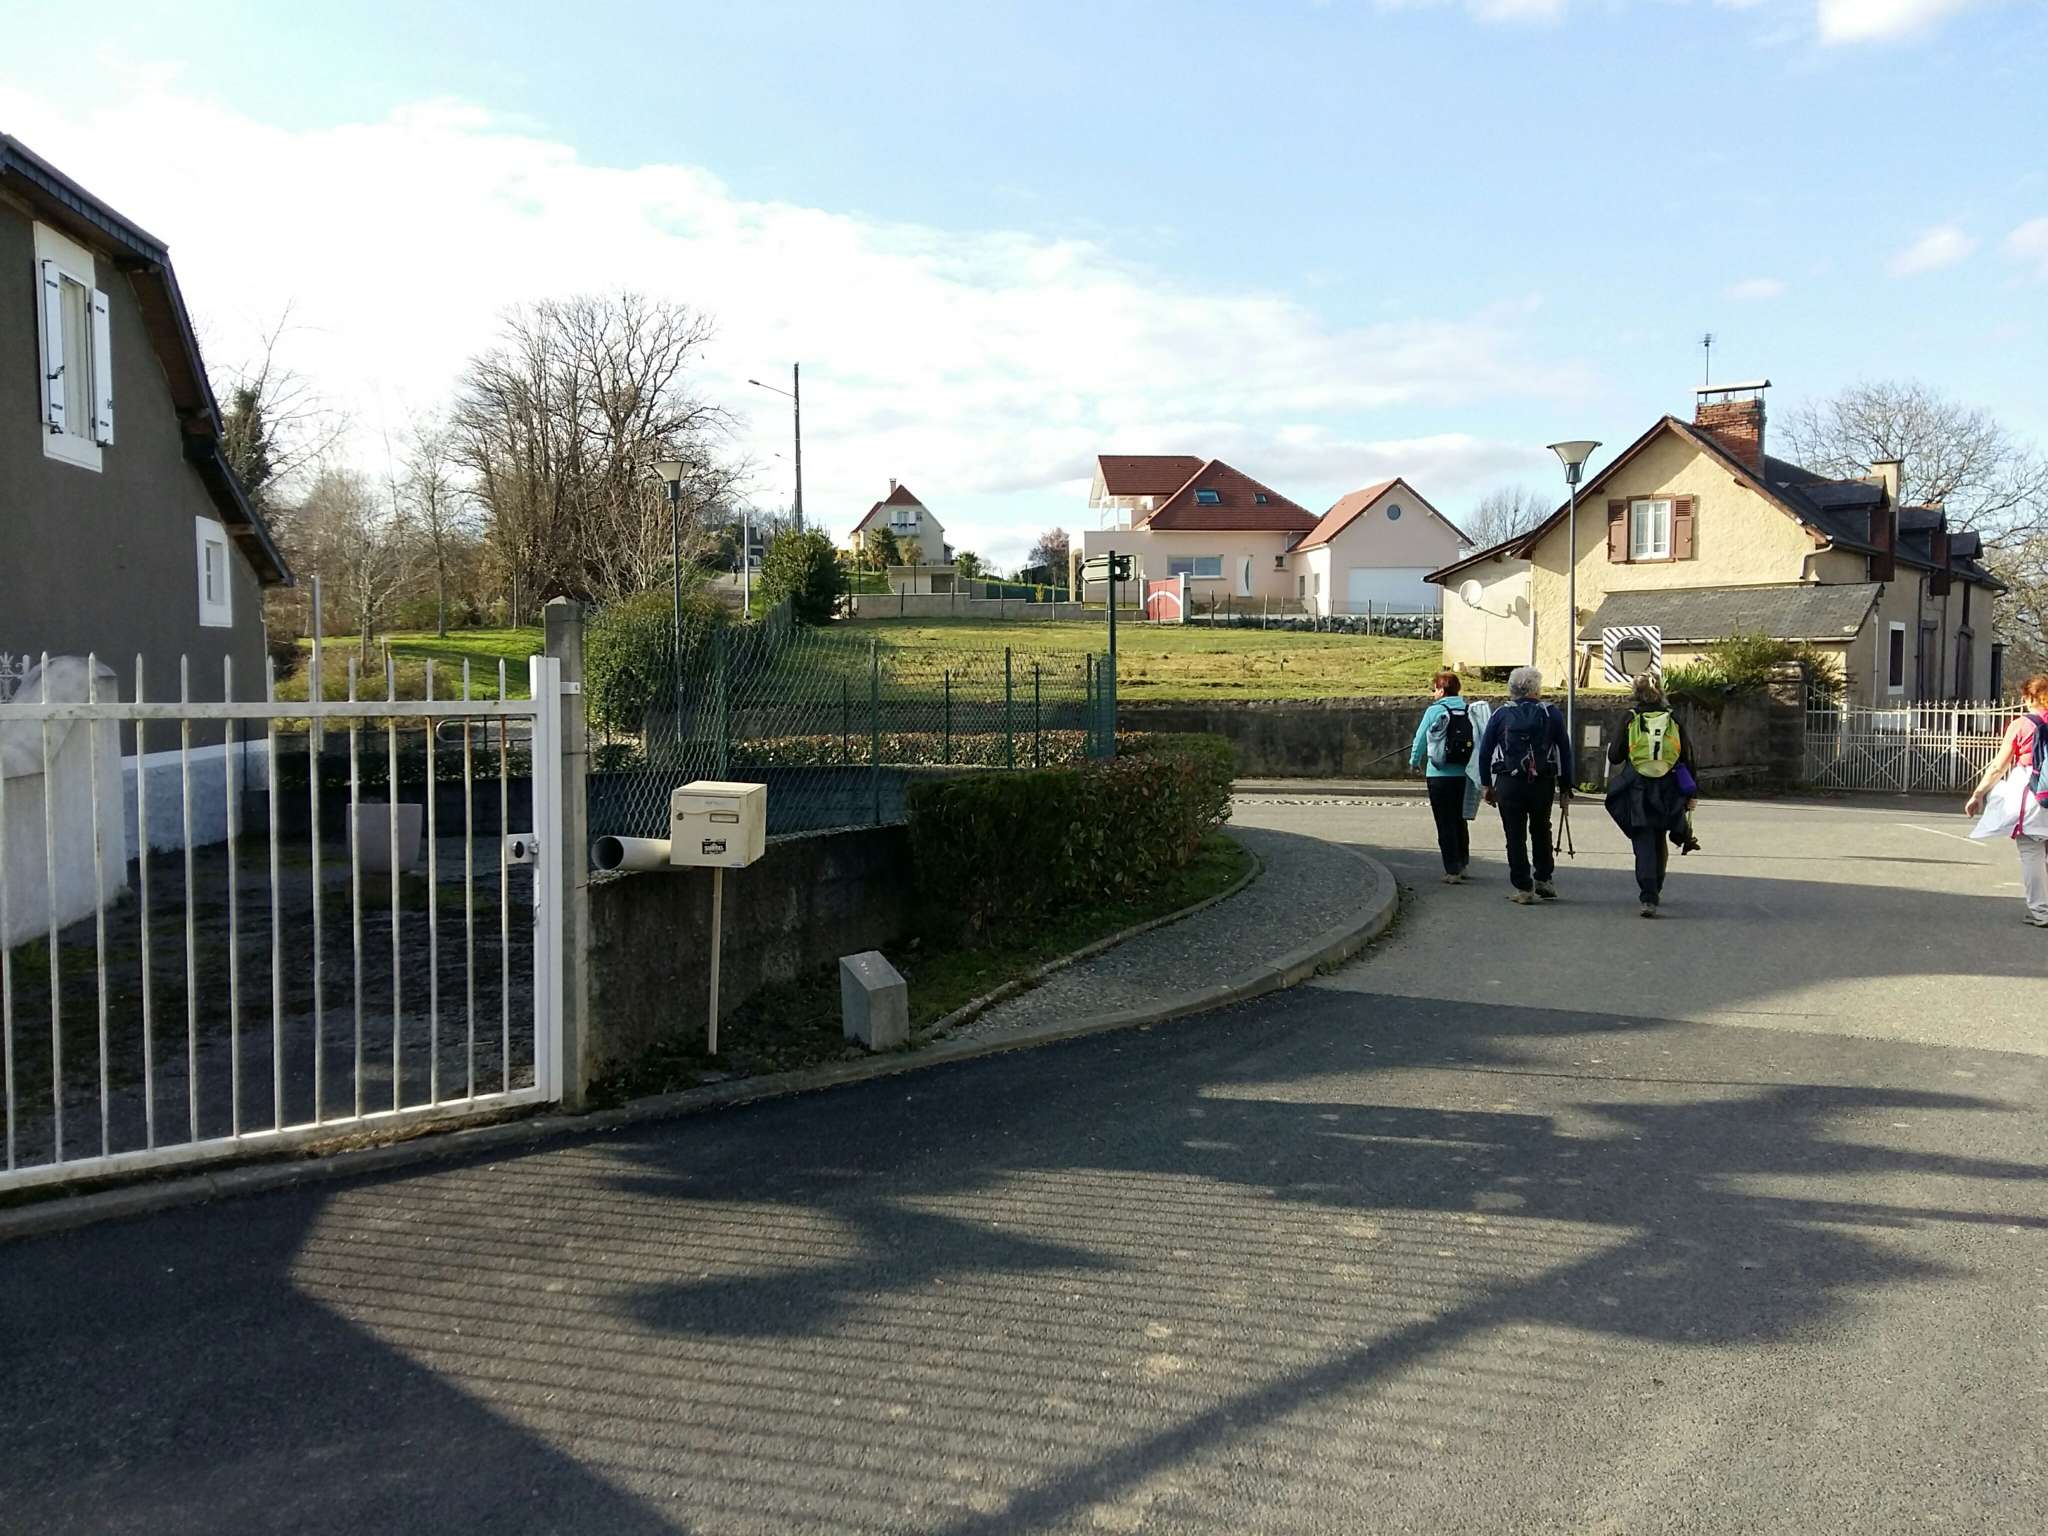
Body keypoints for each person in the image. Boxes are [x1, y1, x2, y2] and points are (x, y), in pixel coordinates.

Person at [1604, 674, 1697, 918]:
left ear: (1635, 692)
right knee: (1659, 836)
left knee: (1642, 837)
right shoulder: (1673, 717)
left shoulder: (1630, 717)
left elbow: (1615, 756)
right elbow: (1687, 756)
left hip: (1638, 787)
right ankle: (1657, 886)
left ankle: (1648, 896)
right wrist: (1691, 792)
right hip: (1668, 787)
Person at [1479, 666, 1572, 906]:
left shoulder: (1501, 714)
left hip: (1509, 782)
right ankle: (1543, 878)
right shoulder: (1551, 713)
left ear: (1512, 688)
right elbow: (1564, 751)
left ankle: (1523, 887)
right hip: (1541, 781)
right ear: (1536, 689)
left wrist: (1486, 784)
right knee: (1541, 828)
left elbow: (1485, 751)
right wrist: (1565, 786)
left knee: (1514, 834)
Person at [1963, 673, 2048, 928]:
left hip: (2034, 793)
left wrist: (1978, 794)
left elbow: (1998, 766)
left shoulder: (2022, 725)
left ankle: (2041, 911)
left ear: (2029, 697)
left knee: (2031, 851)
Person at [1410, 669, 1476, 883]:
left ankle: (1452, 870)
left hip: (1439, 774)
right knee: (1460, 820)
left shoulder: (1435, 711)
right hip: (1464, 773)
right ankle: (1463, 864)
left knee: (1445, 822)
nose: (1433, 693)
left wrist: (1414, 761)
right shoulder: (1469, 710)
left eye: (1434, 689)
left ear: (1441, 690)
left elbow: (1420, 738)